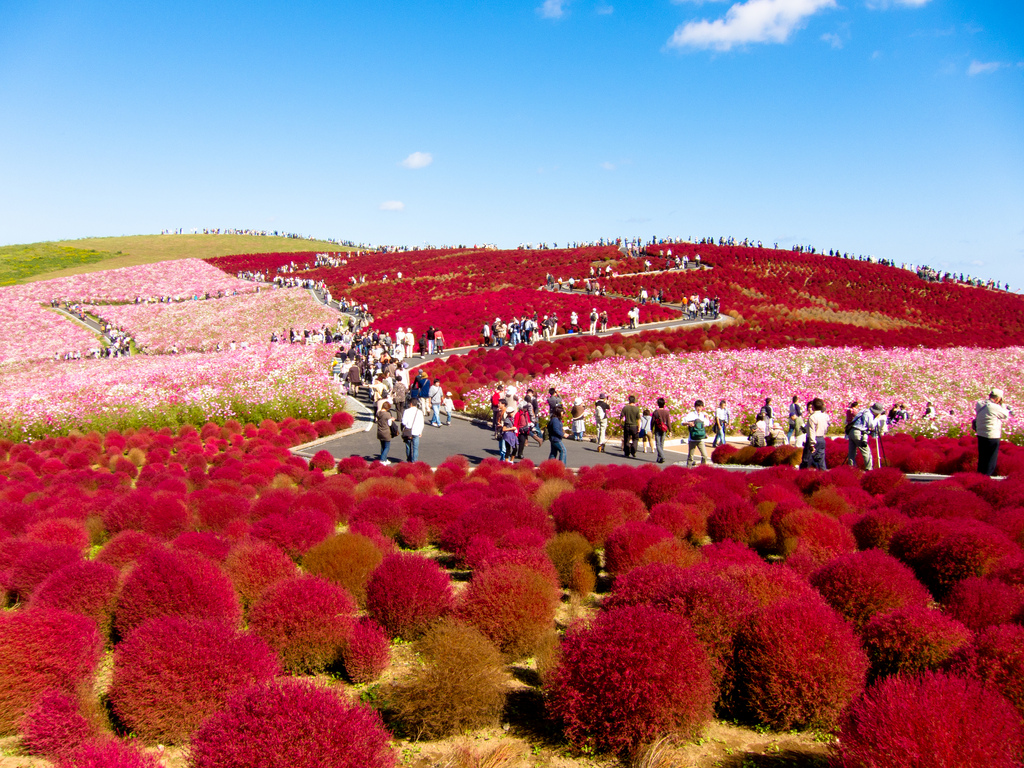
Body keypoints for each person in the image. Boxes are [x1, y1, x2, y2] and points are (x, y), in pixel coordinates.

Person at [976, 388, 1012, 476]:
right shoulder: (994, 407)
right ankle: (987, 476)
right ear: (998, 398)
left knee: (982, 457)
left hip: (981, 434)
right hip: (992, 436)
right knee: (991, 459)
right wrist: (1003, 406)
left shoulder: (980, 404)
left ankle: (979, 475)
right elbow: (1005, 415)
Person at [846, 402, 887, 470]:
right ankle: (869, 469)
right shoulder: (869, 414)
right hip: (859, 433)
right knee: (866, 452)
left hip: (852, 431)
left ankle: (852, 468)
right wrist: (877, 419)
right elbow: (872, 425)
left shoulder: (863, 411)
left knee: (852, 452)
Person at [682, 400, 709, 467]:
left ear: (702, 407)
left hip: (700, 439)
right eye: (697, 406)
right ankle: (688, 469)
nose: (699, 408)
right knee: (691, 456)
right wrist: (689, 423)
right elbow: (682, 422)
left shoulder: (703, 415)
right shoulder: (691, 415)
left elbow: (707, 423)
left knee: (705, 455)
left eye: (700, 406)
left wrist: (707, 418)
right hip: (692, 439)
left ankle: (702, 469)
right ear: (695, 407)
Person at [806, 397, 829, 470]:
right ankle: (823, 475)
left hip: (815, 439)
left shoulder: (812, 417)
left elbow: (812, 431)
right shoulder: (825, 416)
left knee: (809, 459)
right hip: (822, 438)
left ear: (813, 407)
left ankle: (806, 475)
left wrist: (812, 444)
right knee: (821, 460)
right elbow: (826, 427)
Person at [402, 397, 425, 463]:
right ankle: (414, 461)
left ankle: (409, 460)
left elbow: (404, 422)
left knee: (408, 447)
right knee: (415, 447)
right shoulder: (420, 412)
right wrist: (420, 431)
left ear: (410, 403)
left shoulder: (406, 411)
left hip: (408, 431)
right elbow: (422, 423)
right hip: (417, 431)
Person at [651, 397, 671, 464]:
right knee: (661, 443)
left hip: (657, 429)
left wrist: (651, 429)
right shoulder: (666, 412)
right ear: (664, 404)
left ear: (658, 404)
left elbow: (652, 421)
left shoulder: (655, 412)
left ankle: (662, 456)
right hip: (664, 429)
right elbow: (668, 422)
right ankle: (659, 458)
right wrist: (670, 430)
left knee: (658, 444)